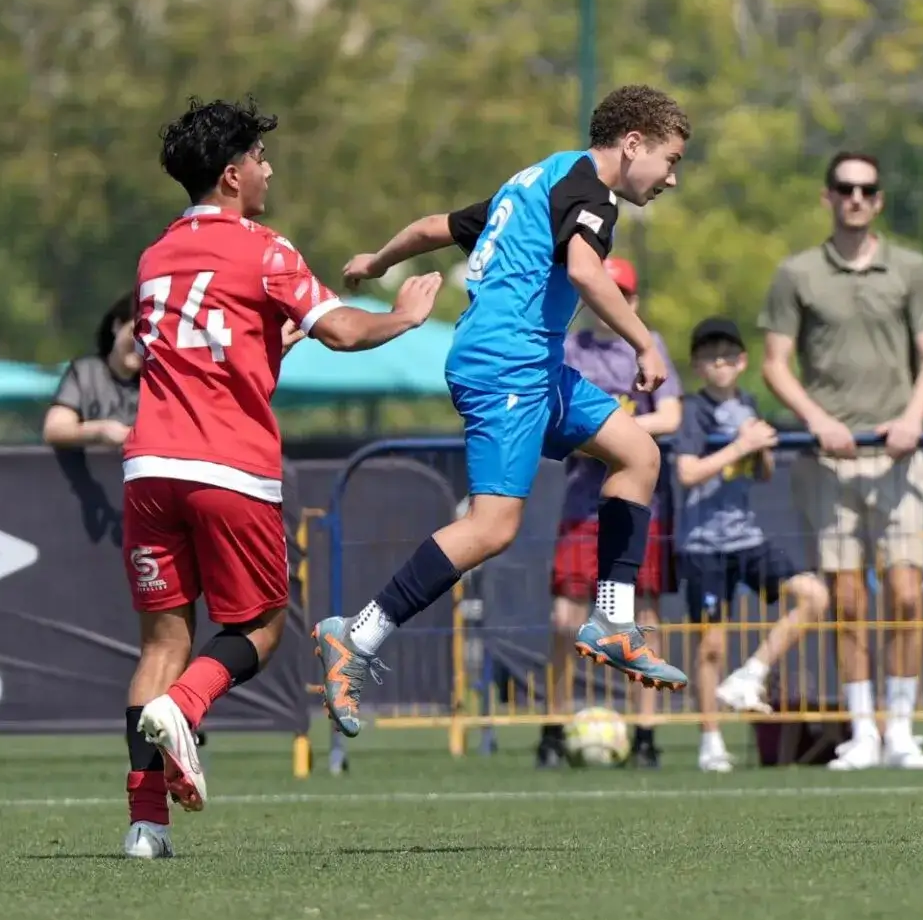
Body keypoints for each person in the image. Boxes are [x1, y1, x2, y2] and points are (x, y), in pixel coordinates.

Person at [312, 85, 693, 734]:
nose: (673, 179)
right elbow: (583, 271)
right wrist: (641, 343)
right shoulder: (590, 195)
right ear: (632, 145)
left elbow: (437, 227)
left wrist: (375, 262)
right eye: (671, 159)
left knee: (637, 453)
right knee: (492, 527)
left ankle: (612, 620)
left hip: (532, 366)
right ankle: (357, 635)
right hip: (506, 366)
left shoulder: (542, 177)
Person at [121, 98, 443, 859]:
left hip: (148, 469)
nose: (270, 169)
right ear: (232, 176)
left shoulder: (156, 254)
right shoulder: (264, 249)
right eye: (261, 159)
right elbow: (341, 329)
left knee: (163, 641)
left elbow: (202, 355)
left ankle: (144, 827)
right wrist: (400, 317)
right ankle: (185, 706)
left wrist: (271, 346)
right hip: (227, 466)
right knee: (262, 630)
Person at [759, 151, 923, 771]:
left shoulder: (911, 268)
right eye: (846, 188)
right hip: (831, 457)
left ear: (880, 199)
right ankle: (863, 730)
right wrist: (817, 420)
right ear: (828, 197)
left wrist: (914, 416)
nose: (857, 198)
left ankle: (902, 730)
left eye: (868, 189)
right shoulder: (797, 273)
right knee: (847, 599)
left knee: (907, 593)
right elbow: (775, 362)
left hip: (898, 453)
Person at [536, 257, 682, 771]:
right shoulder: (572, 349)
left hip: (639, 503)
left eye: (621, 293)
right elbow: (549, 411)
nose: (610, 303)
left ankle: (646, 733)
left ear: (634, 302)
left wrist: (616, 433)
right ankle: (552, 727)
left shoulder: (649, 345)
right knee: (563, 621)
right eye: (604, 292)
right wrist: (600, 432)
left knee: (643, 619)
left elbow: (671, 414)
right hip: (582, 506)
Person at [675, 317, 830, 773]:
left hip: (746, 535)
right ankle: (710, 740)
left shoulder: (748, 402)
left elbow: (761, 474)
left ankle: (752, 673)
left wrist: (759, 451)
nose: (719, 364)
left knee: (813, 595)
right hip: (702, 543)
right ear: (698, 365)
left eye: (727, 356)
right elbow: (687, 473)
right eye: (709, 357)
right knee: (710, 647)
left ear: (742, 362)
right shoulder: (692, 410)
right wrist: (741, 446)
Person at [42, 294, 142, 450]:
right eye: (134, 333)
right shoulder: (85, 373)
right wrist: (100, 432)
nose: (140, 345)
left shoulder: (158, 381)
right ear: (117, 326)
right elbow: (54, 429)